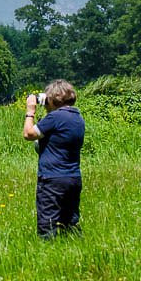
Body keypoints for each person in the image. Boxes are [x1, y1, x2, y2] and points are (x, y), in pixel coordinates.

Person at [23, 79, 85, 238]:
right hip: (73, 177)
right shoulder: (77, 117)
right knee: (69, 222)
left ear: (53, 99)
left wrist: (30, 111)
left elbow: (28, 134)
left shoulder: (55, 118)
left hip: (52, 178)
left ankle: (47, 251)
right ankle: (74, 247)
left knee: (48, 224)